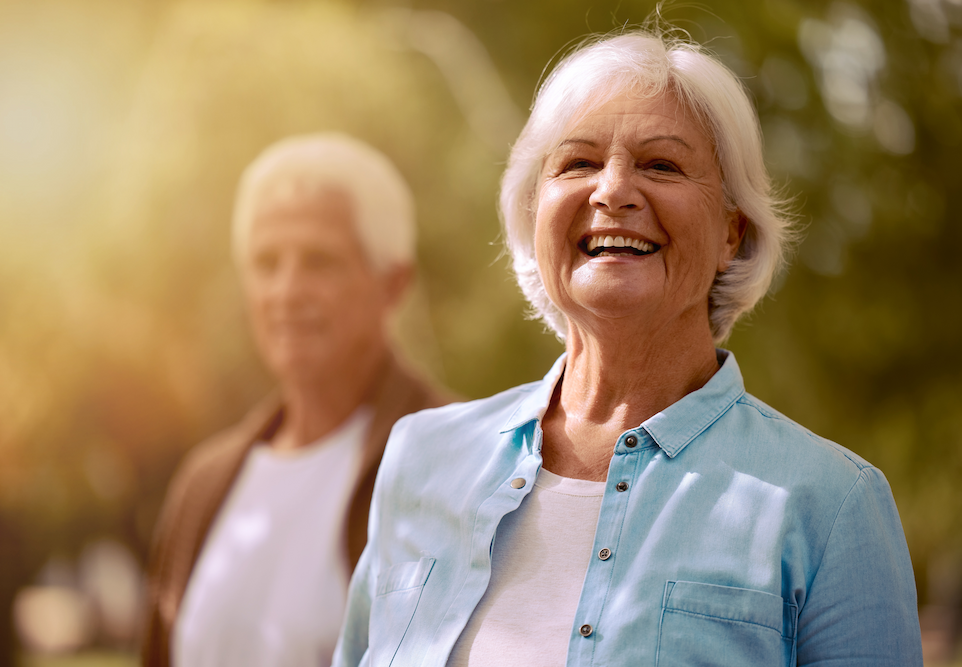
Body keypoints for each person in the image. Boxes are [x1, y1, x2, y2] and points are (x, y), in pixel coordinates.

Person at [333, 31, 923, 666]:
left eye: (661, 165)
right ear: (535, 212)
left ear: (733, 231)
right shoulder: (420, 459)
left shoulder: (832, 506)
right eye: (579, 163)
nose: (612, 191)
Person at [141, 133, 453, 667]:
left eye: (319, 261)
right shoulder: (203, 484)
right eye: (266, 263)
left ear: (393, 283)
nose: (286, 291)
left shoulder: (457, 461)